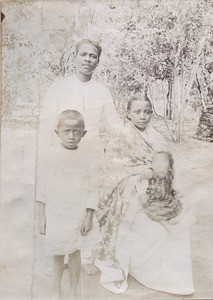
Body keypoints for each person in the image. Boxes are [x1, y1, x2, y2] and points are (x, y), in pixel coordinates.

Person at [36, 39, 123, 275]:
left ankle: (84, 257)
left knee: (87, 204)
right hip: (61, 155)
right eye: (83, 54)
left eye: (93, 56)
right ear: (74, 57)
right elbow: (46, 124)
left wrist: (134, 135)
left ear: (98, 60)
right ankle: (58, 255)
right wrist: (45, 155)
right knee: (61, 203)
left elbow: (114, 125)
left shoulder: (102, 91)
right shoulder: (59, 88)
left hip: (91, 155)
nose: (88, 59)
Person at [95, 95, 194, 295]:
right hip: (131, 190)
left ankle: (173, 275)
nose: (142, 116)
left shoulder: (156, 135)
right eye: (137, 112)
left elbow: (168, 164)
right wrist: (143, 175)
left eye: (147, 111)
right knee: (150, 218)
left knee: (177, 219)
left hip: (157, 187)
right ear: (128, 113)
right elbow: (112, 170)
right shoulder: (121, 136)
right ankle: (146, 271)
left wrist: (163, 179)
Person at [37, 110, 102, 299]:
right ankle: (55, 290)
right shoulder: (49, 156)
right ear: (57, 132)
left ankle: (74, 289)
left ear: (84, 133)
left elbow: (92, 188)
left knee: (75, 251)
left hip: (78, 212)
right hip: (56, 212)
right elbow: (41, 187)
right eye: (67, 131)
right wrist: (42, 215)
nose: (72, 136)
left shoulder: (88, 158)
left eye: (76, 131)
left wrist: (89, 216)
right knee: (57, 252)